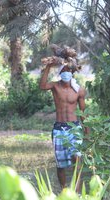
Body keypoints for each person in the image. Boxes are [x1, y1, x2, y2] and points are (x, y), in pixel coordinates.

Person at [39, 59, 88, 192]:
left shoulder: (79, 90)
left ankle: (76, 192)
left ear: (72, 73)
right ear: (60, 72)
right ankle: (64, 191)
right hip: (59, 129)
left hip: (75, 128)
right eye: (63, 71)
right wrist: (48, 66)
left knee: (76, 159)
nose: (66, 73)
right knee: (61, 165)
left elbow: (83, 112)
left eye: (68, 71)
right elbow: (42, 86)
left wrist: (87, 130)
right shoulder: (55, 86)